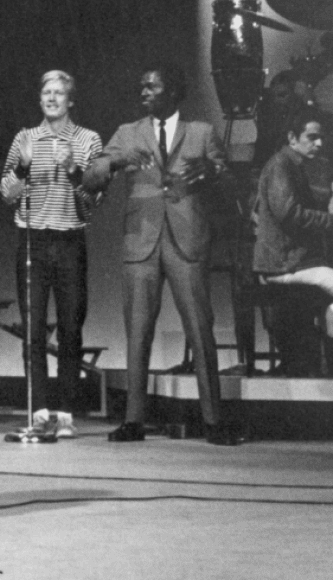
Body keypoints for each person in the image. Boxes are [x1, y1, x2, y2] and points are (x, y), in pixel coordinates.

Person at [84, 65, 243, 445]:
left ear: (172, 91)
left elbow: (230, 186)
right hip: (142, 241)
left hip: (187, 240)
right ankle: (133, 420)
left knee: (200, 330)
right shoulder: (128, 133)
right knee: (138, 331)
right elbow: (92, 176)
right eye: (142, 86)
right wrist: (116, 162)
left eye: (151, 86)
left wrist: (213, 172)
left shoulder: (201, 132)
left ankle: (213, 421)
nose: (143, 92)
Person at [0, 70, 103, 438]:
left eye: (60, 93)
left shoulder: (88, 139)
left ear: (71, 100)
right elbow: (6, 194)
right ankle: (39, 411)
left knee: (71, 329)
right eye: (47, 92)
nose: (53, 98)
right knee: (33, 332)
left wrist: (73, 169)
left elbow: (94, 200)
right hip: (33, 241)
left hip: (70, 241)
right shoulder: (25, 138)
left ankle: (67, 413)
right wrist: (23, 166)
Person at [252, 108, 333, 375]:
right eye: (312, 137)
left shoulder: (295, 166)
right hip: (280, 263)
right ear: (292, 137)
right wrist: (329, 219)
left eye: (321, 138)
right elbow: (289, 214)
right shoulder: (280, 165)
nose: (319, 143)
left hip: (294, 259)